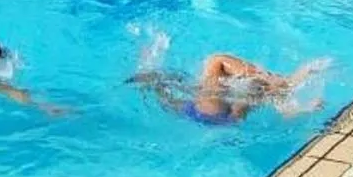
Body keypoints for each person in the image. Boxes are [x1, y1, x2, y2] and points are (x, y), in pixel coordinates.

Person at [132, 51, 326, 126]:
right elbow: (219, 61)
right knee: (217, 62)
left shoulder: (202, 91)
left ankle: (289, 101)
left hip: (200, 114)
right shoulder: (211, 83)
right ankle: (287, 85)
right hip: (210, 112)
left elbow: (168, 99)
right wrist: (260, 73)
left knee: (254, 92)